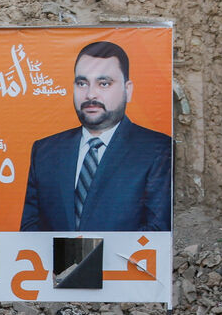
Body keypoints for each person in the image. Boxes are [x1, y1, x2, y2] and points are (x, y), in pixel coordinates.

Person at [19, 41, 172, 232]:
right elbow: (30, 229)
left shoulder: (157, 149)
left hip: (122, 261)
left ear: (128, 90)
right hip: (55, 261)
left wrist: (94, 260)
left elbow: (157, 231)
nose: (91, 94)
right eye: (82, 83)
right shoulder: (45, 151)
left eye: (104, 84)